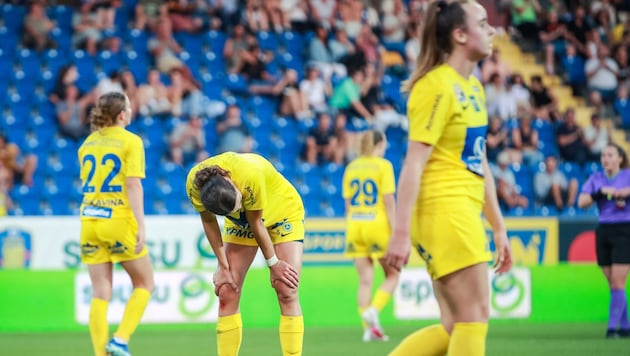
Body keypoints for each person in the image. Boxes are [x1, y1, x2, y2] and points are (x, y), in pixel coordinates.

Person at [384, 2, 513, 356]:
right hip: (445, 210)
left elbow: (479, 161)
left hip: (461, 211)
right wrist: (400, 233)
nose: (492, 31)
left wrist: (498, 227)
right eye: (483, 24)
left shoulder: (472, 87)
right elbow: (413, 162)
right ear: (459, 35)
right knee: (475, 317)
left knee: (455, 325)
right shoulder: (437, 86)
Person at [185, 152, 304, 356]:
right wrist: (223, 267)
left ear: (230, 181)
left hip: (282, 212)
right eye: (231, 210)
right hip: (243, 222)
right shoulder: (195, 185)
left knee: (286, 287)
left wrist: (274, 264)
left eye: (238, 201)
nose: (237, 208)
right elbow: (209, 222)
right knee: (226, 290)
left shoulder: (250, 174)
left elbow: (257, 223)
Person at [78, 92, 154, 356]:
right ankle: (120, 340)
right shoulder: (131, 141)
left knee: (100, 291)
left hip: (89, 219)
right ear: (122, 114)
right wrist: (141, 226)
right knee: (145, 283)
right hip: (118, 219)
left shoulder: (87, 143)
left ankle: (100, 352)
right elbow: (133, 184)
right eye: (130, 108)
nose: (132, 111)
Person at [342, 130, 399, 342]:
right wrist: (395, 232)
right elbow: (389, 202)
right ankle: (374, 310)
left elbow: (347, 205)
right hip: (378, 226)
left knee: (365, 281)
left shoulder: (351, 168)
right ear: (379, 144)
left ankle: (369, 329)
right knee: (393, 274)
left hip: (356, 226)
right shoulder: (384, 166)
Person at [578, 143, 630, 339]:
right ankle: (625, 327)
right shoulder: (596, 178)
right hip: (604, 230)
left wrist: (625, 192)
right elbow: (581, 202)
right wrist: (598, 193)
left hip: (625, 229)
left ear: (620, 158)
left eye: (610, 155)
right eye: (603, 155)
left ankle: (611, 329)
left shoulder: (627, 176)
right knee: (613, 284)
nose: (606, 159)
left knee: (617, 282)